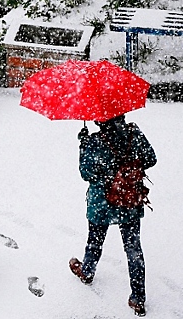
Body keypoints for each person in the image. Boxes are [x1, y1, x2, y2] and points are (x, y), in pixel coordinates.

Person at [69, 114, 157, 317]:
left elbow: (86, 173)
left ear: (98, 121)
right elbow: (151, 159)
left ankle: (87, 271)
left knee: (95, 240)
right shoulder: (134, 133)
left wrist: (83, 144)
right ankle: (138, 298)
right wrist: (128, 168)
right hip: (129, 199)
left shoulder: (94, 141)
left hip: (102, 202)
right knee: (133, 249)